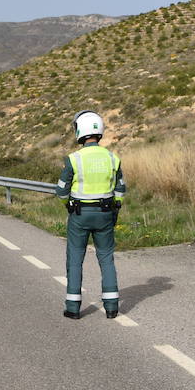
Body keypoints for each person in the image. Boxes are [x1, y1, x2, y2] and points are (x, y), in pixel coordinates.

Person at [55, 110, 126, 320]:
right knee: (106, 258)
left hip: (79, 214)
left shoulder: (73, 159)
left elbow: (60, 190)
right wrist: (115, 209)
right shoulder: (113, 158)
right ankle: (112, 307)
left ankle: (73, 307)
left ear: (80, 131)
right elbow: (120, 190)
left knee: (75, 259)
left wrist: (68, 205)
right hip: (105, 213)